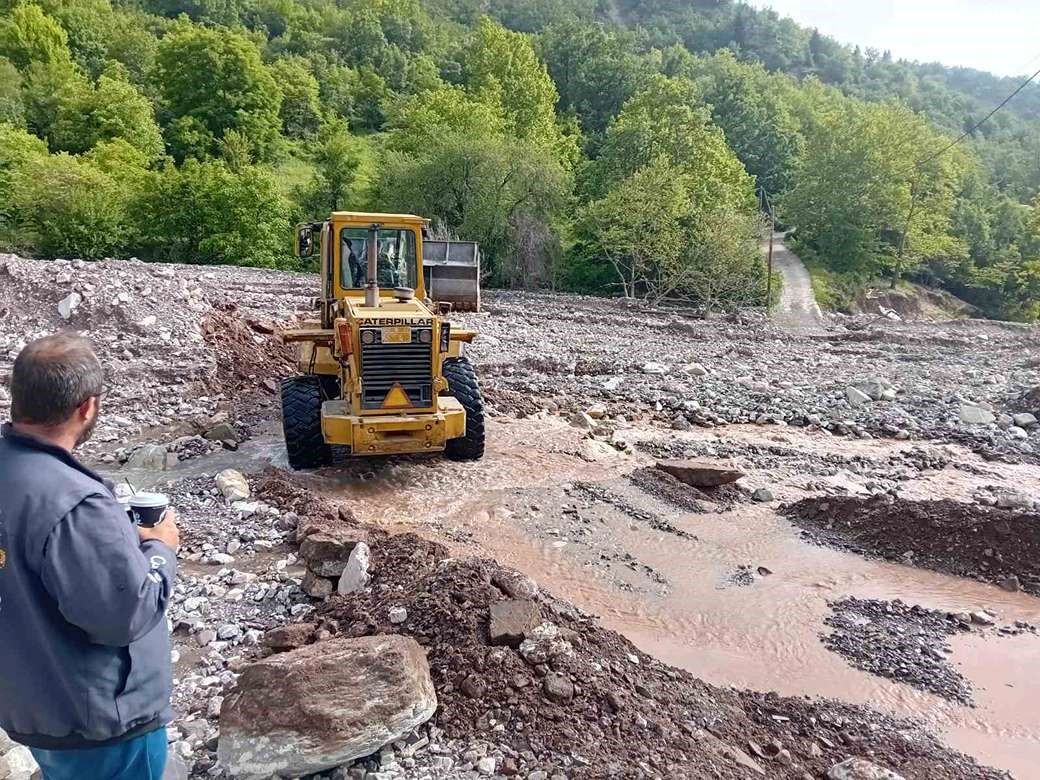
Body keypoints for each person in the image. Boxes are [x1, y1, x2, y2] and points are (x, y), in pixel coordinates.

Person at [0, 334, 180, 779]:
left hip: (34, 704)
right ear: (87, 408)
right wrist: (160, 548)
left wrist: (112, 533)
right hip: (98, 724)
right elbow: (125, 614)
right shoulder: (75, 503)